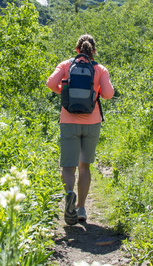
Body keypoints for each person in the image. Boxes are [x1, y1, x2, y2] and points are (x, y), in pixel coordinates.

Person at [46, 34, 115, 225]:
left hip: (68, 121)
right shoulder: (100, 69)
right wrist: (96, 91)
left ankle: (69, 194)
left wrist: (65, 90)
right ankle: (82, 209)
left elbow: (51, 83)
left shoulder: (66, 65)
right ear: (93, 52)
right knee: (85, 165)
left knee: (68, 166)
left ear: (77, 50)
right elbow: (109, 94)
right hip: (92, 123)